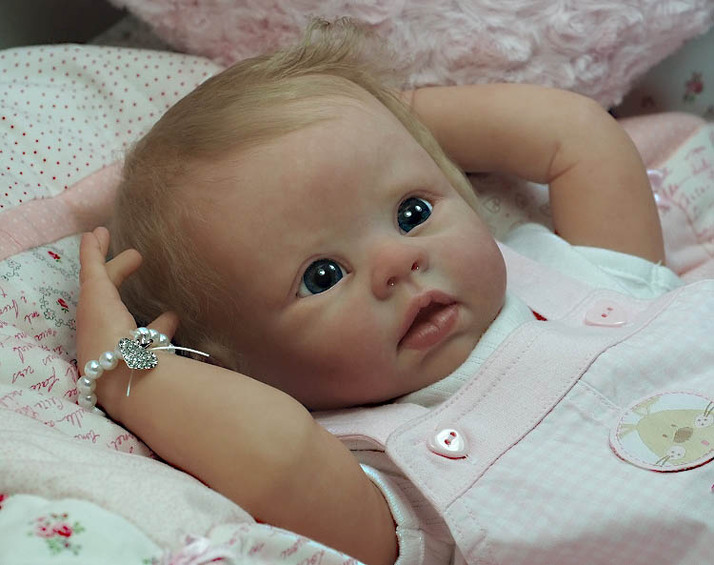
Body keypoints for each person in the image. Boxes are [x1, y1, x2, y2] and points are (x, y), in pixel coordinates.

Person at [76, 19, 712, 565]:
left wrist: (377, 115)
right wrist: (126, 372)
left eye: (412, 212)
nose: (396, 261)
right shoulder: (378, 472)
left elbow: (575, 135)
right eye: (322, 275)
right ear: (237, 369)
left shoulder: (574, 276)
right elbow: (279, 459)